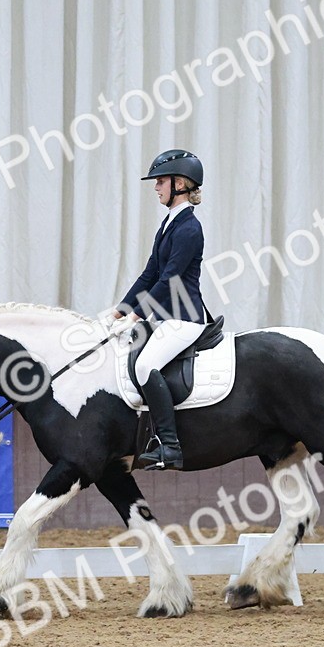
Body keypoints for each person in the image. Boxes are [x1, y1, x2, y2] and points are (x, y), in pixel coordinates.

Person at [107, 149, 212, 470]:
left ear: (180, 184)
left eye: (160, 181)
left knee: (145, 366)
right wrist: (118, 312)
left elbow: (170, 280)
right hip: (167, 317)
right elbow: (150, 274)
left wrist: (136, 316)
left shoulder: (189, 229)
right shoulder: (169, 224)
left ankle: (170, 446)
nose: (155, 187)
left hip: (185, 318)